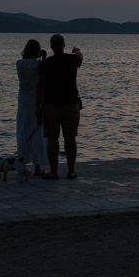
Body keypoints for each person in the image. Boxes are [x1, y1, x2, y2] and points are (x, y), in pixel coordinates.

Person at [36, 34, 83, 179]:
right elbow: (80, 57)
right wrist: (76, 51)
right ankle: (71, 170)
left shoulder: (46, 63)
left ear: (51, 47)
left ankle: (54, 171)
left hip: (51, 104)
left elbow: (41, 86)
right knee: (70, 137)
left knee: (52, 138)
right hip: (71, 103)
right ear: (64, 45)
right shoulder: (72, 59)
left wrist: (38, 105)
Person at [16, 39, 49, 176]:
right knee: (37, 135)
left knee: (23, 132)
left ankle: (22, 166)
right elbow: (44, 71)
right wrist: (44, 57)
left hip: (23, 102)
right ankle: (37, 167)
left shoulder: (19, 64)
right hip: (37, 102)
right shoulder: (40, 64)